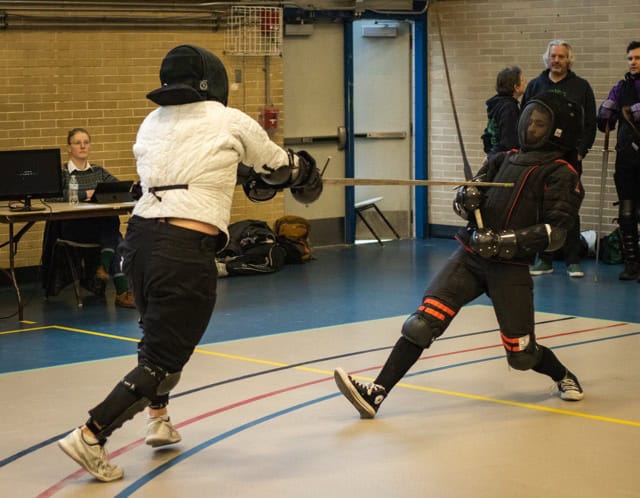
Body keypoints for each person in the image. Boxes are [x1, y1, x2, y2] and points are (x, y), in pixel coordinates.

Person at [56, 44, 321, 482]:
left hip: (138, 243)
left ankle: (158, 419)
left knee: (156, 335)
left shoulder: (151, 121)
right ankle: (91, 434)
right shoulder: (228, 119)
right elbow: (279, 168)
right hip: (182, 250)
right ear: (213, 81)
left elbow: (181, 169)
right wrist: (305, 172)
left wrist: (235, 170)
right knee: (165, 355)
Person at [334, 91, 585, 420]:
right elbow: (468, 200)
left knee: (521, 355)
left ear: (558, 131)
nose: (531, 127)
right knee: (422, 324)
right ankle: (376, 393)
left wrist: (502, 241)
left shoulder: (561, 173)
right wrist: (467, 199)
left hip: (509, 269)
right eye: (530, 120)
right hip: (471, 257)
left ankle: (562, 374)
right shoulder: (502, 159)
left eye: (540, 123)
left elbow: (555, 234)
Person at [522, 39, 596, 278]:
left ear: (568, 60)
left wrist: (582, 150)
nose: (556, 60)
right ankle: (544, 259)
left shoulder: (581, 86)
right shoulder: (535, 85)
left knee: (568, 207)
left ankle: (573, 260)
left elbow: (590, 123)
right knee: (541, 207)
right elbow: (524, 119)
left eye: (561, 56)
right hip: (540, 156)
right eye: (553, 56)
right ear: (547, 58)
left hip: (569, 157)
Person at [57, 128, 135, 308]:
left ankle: (111, 275)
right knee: (115, 236)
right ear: (69, 148)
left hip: (99, 228)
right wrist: (86, 194)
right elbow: (54, 195)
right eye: (77, 143)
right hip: (73, 228)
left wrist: (102, 193)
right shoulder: (62, 173)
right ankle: (119, 287)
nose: (82, 146)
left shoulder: (98, 171)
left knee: (111, 225)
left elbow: (118, 188)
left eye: (86, 142)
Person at [597, 41, 640, 281]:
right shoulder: (621, 87)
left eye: (638, 58)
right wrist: (605, 113)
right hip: (626, 157)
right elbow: (606, 121)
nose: (633, 62)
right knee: (626, 212)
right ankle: (632, 264)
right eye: (630, 58)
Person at [481, 66, 526, 158]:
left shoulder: (497, 104)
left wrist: (490, 154)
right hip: (503, 158)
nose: (525, 82)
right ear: (516, 87)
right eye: (522, 80)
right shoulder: (509, 108)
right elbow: (509, 140)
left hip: (495, 154)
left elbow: (489, 134)